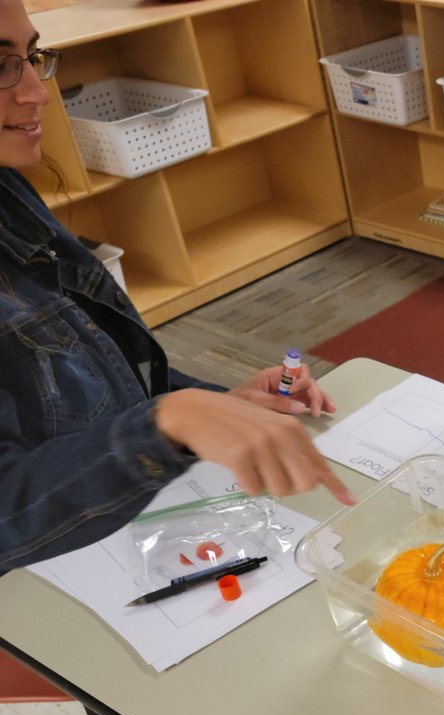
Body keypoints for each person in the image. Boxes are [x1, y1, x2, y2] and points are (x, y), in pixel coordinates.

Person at [0, 0, 353, 573]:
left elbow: (95, 369)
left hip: (120, 525)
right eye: (1, 65)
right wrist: (166, 422)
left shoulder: (10, 191)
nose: (38, 92)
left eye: (33, 56)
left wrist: (214, 406)